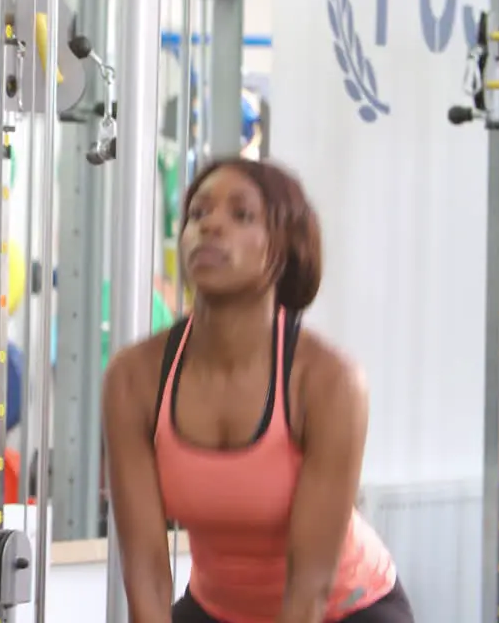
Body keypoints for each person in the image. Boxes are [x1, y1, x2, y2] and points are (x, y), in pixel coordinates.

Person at [102, 158, 414, 623]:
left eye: (241, 214)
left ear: (284, 248)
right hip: (217, 608)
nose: (210, 226)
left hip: (340, 610)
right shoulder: (134, 378)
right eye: (198, 213)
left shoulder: (329, 381)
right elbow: (146, 569)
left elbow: (309, 585)